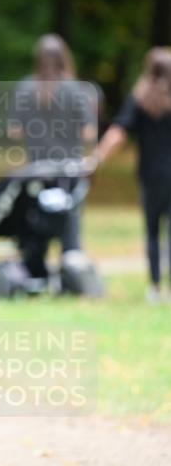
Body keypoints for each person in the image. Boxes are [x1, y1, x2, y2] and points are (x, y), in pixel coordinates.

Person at [8, 33, 98, 277]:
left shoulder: (26, 88)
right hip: (69, 169)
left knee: (37, 218)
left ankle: (36, 270)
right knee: (69, 219)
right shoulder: (76, 90)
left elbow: (14, 131)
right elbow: (89, 133)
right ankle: (71, 271)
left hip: (37, 169)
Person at [96, 47, 171, 303]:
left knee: (152, 231)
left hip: (151, 175)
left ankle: (155, 287)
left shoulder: (140, 99)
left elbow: (118, 133)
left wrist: (97, 158)